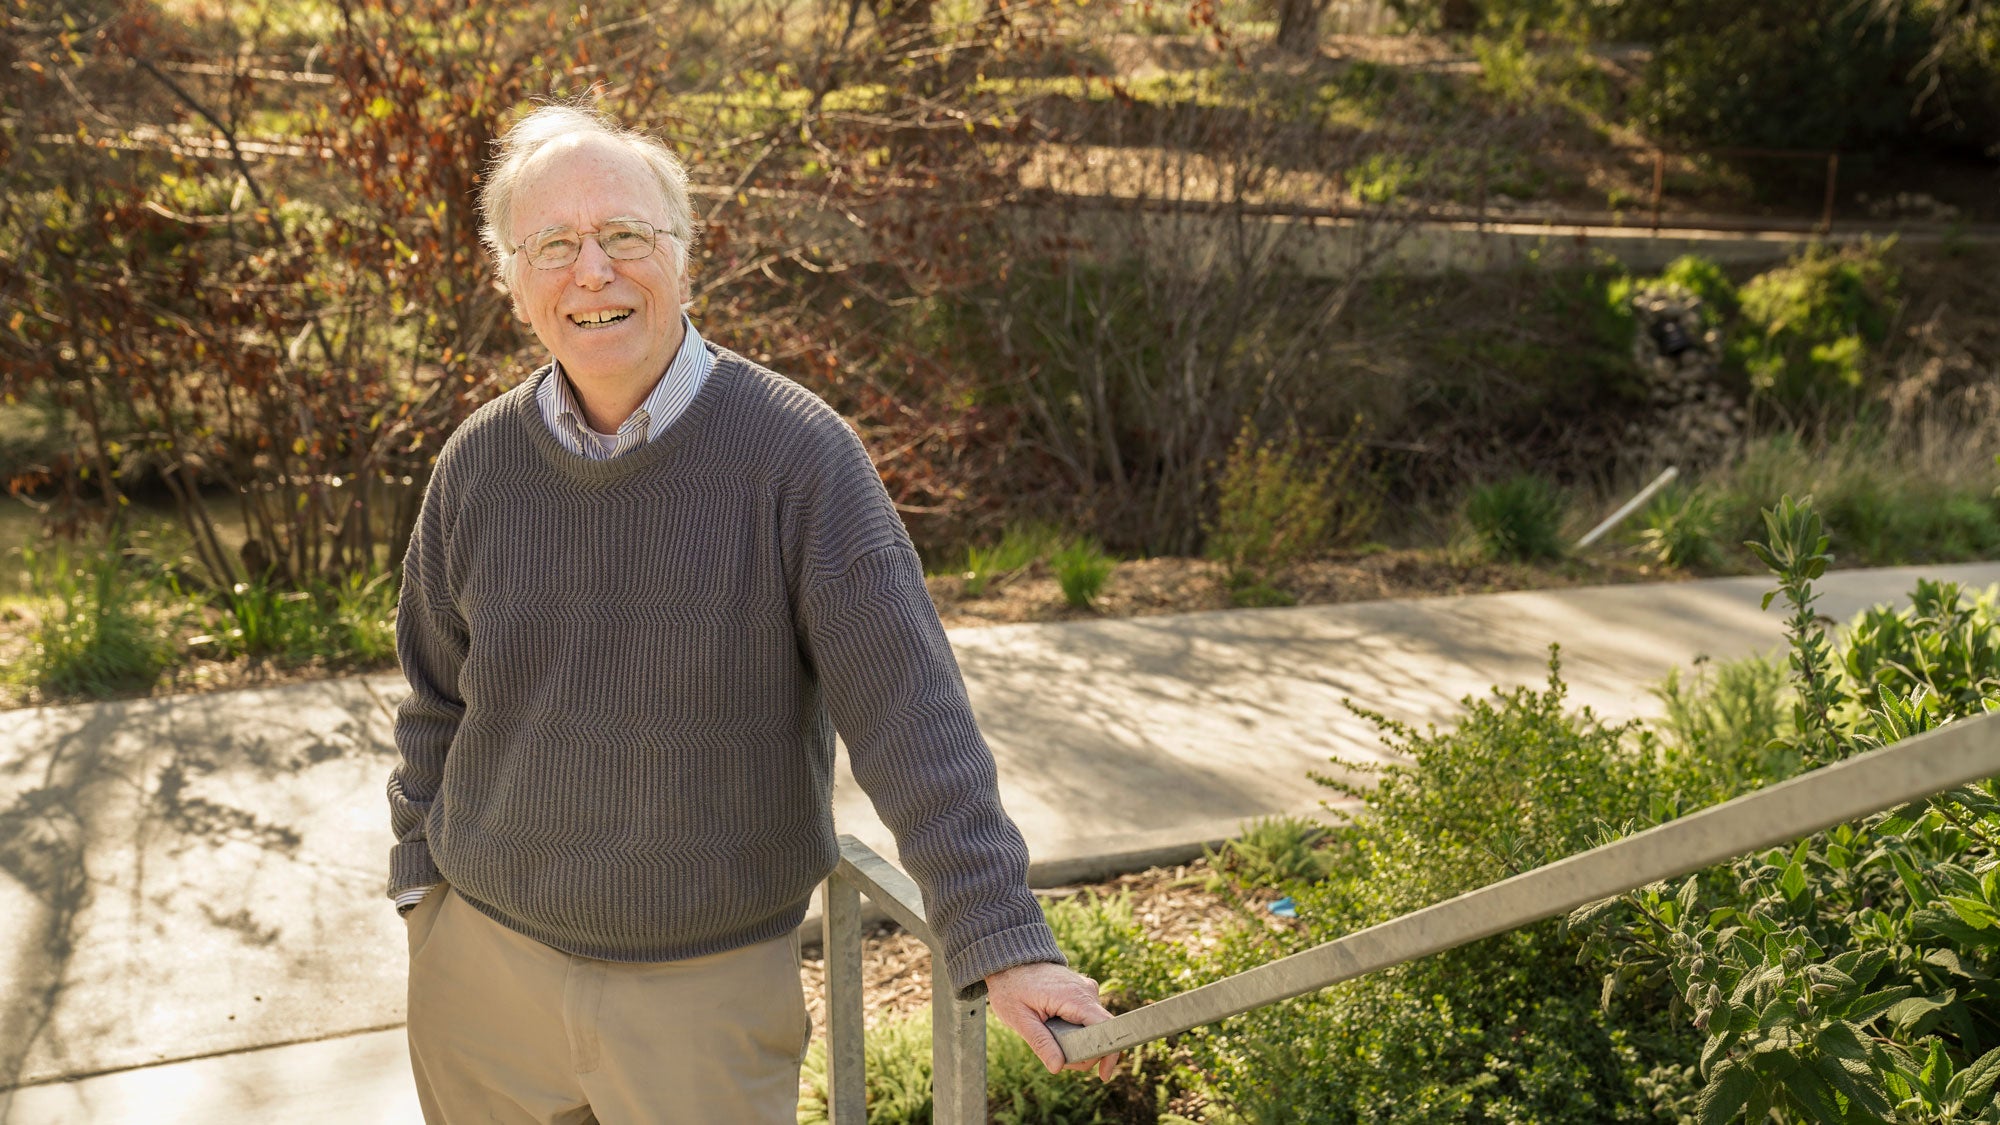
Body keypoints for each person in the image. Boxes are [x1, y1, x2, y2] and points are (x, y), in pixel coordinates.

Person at [385, 101, 1117, 1124]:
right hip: (482, 982)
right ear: (513, 283)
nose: (591, 271)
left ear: (685, 259)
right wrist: (423, 890)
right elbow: (432, 694)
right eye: (551, 245)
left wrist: (1001, 936)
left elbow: (910, 713)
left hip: (700, 998)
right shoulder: (477, 461)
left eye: (625, 236)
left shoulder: (797, 458)